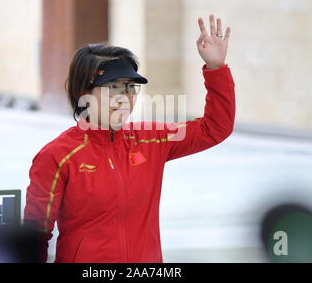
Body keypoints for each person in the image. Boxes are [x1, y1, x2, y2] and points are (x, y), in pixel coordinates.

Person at [24, 14, 235, 262]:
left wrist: (216, 69)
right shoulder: (58, 155)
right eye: (112, 87)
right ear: (84, 92)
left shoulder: (151, 140)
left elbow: (215, 128)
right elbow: (35, 236)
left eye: (129, 87)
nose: (124, 97)